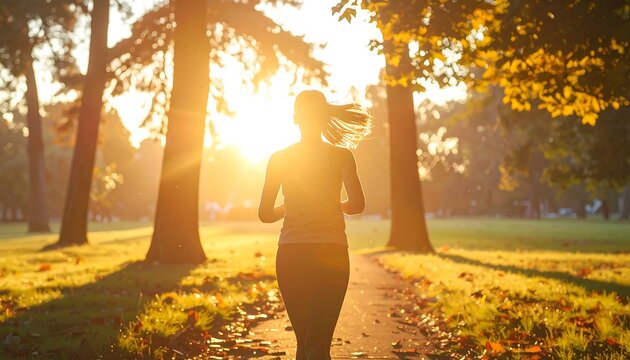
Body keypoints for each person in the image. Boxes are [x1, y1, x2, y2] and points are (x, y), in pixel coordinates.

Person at [258, 90, 371, 360]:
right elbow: (357, 205)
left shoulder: (279, 158)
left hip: (291, 254)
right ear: (323, 118)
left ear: (295, 118)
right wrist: (336, 204)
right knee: (319, 345)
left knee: (304, 343)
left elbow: (265, 213)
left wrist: (290, 206)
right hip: (331, 253)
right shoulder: (341, 156)